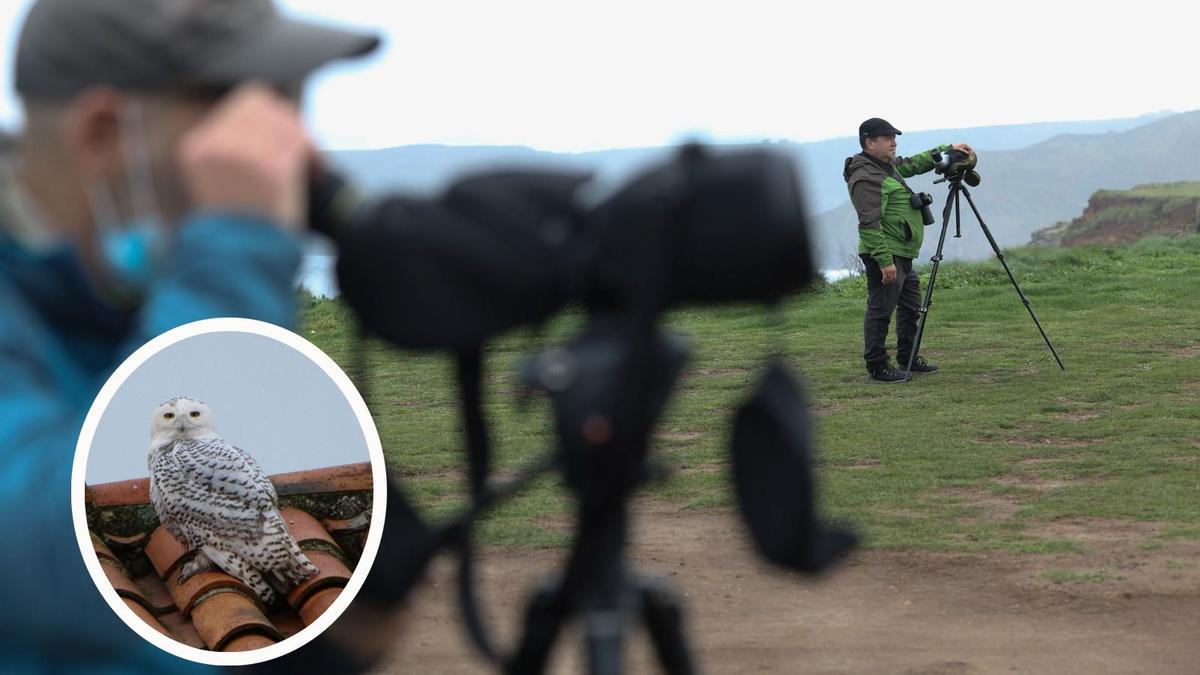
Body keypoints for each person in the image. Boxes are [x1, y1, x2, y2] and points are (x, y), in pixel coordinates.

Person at [0, 0, 404, 672]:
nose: (282, 149)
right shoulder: (207, 273)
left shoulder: (124, 285)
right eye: (234, 120)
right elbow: (45, 558)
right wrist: (236, 244)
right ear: (103, 134)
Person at [843, 118, 972, 383]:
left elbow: (912, 164)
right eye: (887, 138)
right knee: (881, 310)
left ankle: (908, 357)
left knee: (911, 307)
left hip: (902, 252)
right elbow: (868, 224)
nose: (894, 142)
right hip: (886, 254)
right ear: (869, 142)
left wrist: (947, 149)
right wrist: (884, 262)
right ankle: (878, 368)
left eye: (894, 137)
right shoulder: (866, 177)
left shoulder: (885, 167)